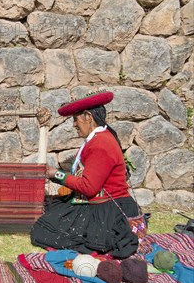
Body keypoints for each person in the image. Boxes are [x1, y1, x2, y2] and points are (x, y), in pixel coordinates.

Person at [30, 91, 139, 258]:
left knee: (42, 231)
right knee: (51, 209)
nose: (74, 124)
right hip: (100, 204)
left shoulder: (101, 144)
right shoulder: (99, 139)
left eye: (76, 118)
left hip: (108, 211)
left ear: (88, 116)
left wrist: (56, 174)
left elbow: (88, 187)